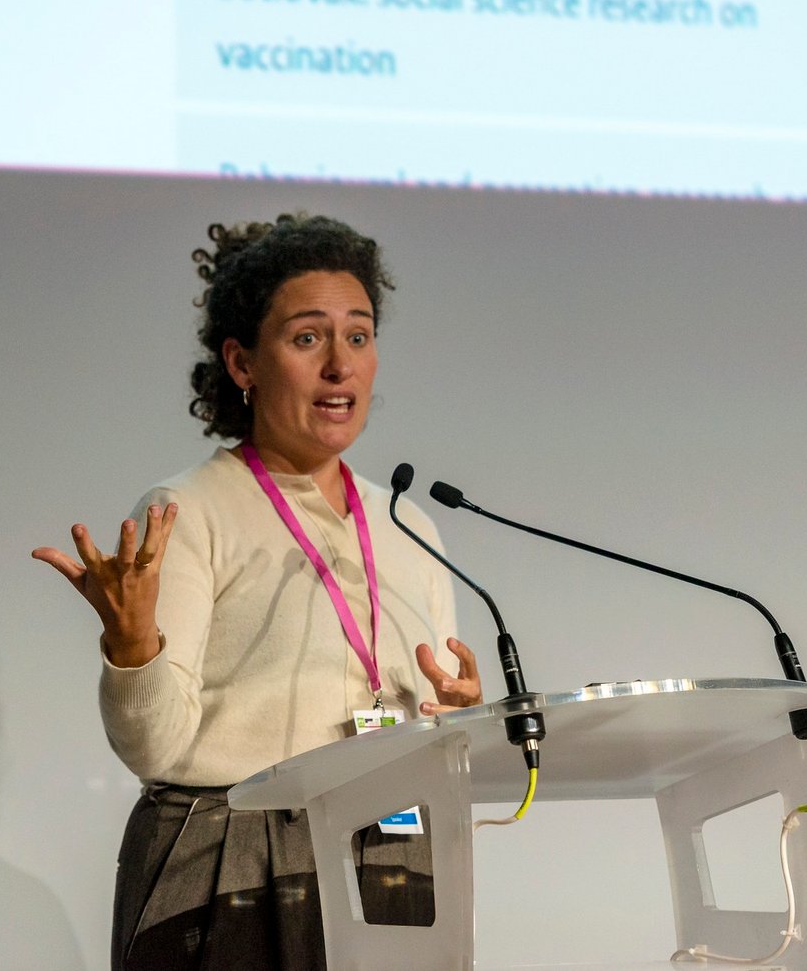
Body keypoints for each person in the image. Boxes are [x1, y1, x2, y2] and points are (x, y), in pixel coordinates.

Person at [32, 213, 483, 970]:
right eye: (308, 338)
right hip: (232, 860)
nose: (340, 365)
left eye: (359, 336)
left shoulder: (411, 527)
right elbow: (155, 749)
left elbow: (432, 717)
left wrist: (458, 720)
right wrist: (132, 647)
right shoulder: (189, 511)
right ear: (242, 363)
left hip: (390, 848)